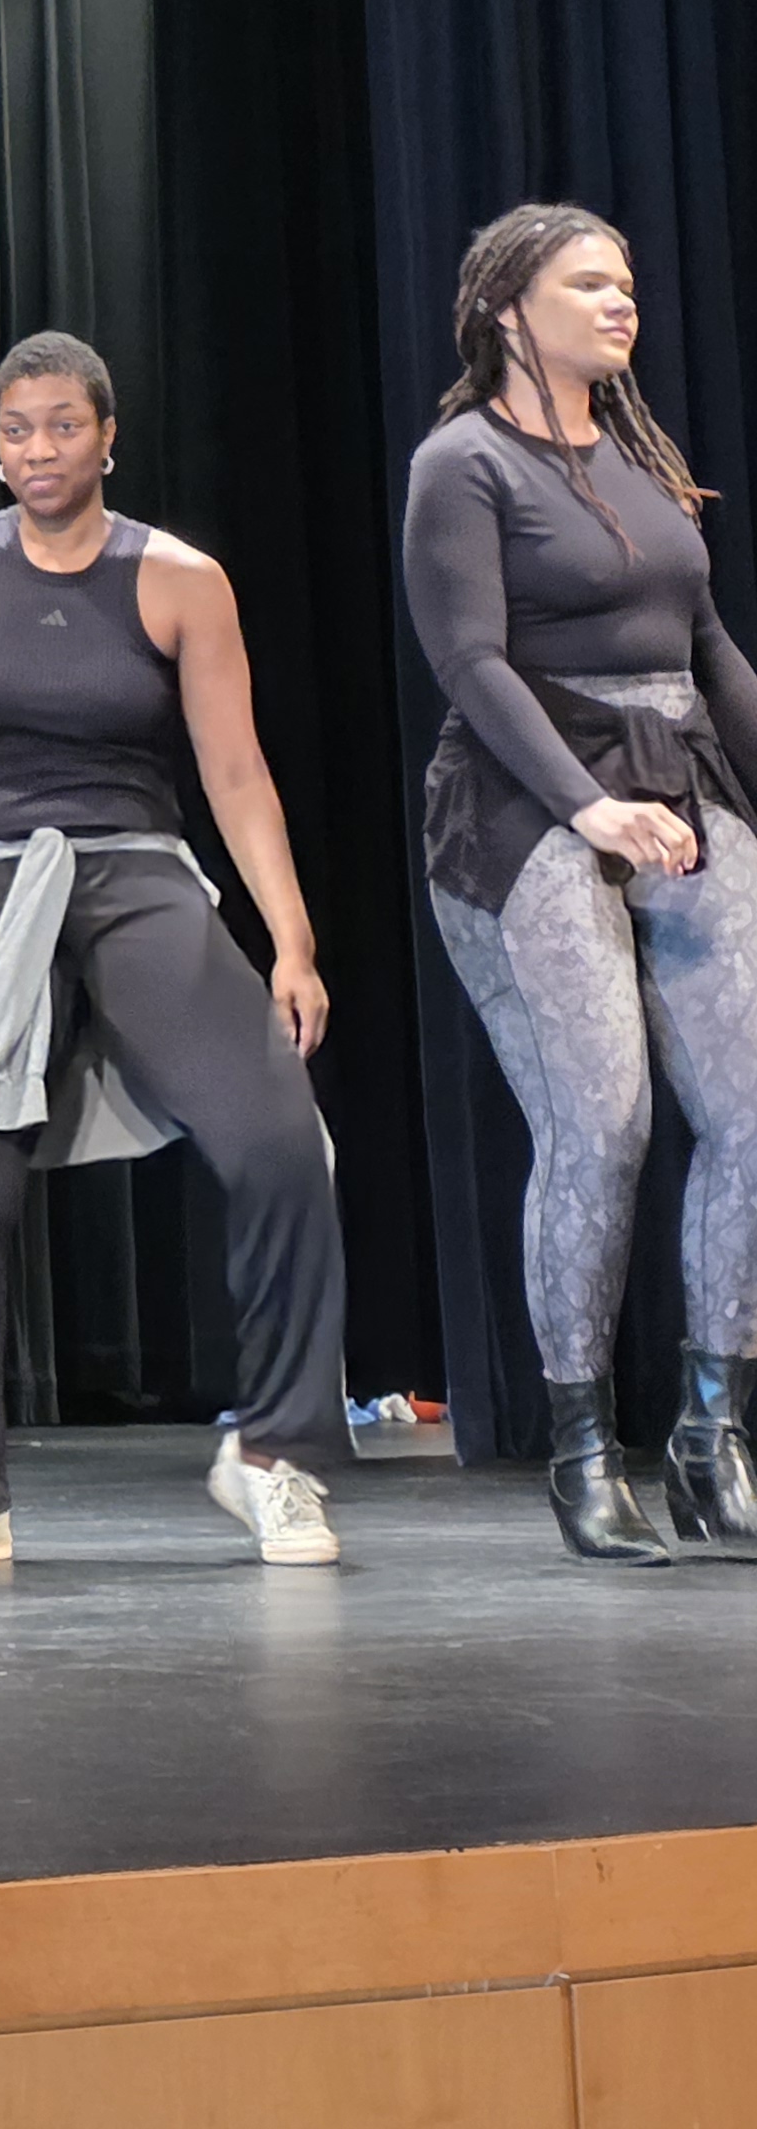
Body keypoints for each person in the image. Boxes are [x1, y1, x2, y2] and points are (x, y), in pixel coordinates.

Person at [0, 333, 349, 1569]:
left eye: (62, 426)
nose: (37, 451)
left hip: (136, 866)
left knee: (280, 1142)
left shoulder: (179, 580)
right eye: (15, 430)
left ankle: (274, 1454)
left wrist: (293, 940)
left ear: (108, 437)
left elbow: (233, 769)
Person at [405, 205, 757, 1564]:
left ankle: (712, 1434)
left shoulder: (637, 454)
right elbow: (474, 664)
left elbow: (707, 643)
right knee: (601, 1119)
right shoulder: (464, 462)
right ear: (508, 308)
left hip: (680, 780)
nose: (622, 304)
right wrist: (592, 806)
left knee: (745, 1111)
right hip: (525, 801)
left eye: (628, 282)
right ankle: (578, 1448)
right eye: (589, 284)